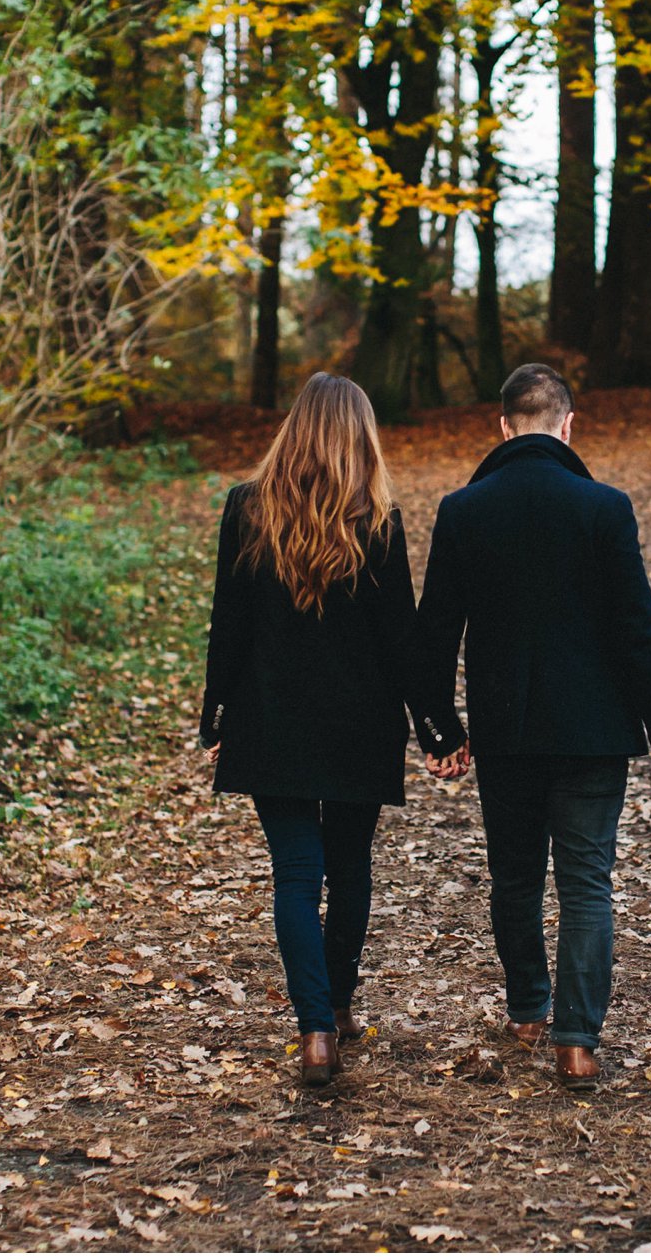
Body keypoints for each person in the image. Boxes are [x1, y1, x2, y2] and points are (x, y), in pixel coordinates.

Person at [412, 363, 651, 1089]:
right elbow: (638, 628)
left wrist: (440, 729)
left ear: (502, 426)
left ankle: (529, 1009)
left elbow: (434, 631)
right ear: (568, 425)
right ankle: (576, 1040)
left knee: (514, 878)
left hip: (504, 729)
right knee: (586, 882)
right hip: (595, 732)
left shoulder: (463, 509)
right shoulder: (604, 507)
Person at [199, 371, 426, 1087]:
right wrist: (433, 726)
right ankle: (337, 1004)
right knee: (349, 866)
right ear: (360, 435)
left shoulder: (247, 508)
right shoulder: (378, 519)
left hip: (273, 721)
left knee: (297, 873)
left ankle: (316, 1029)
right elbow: (402, 641)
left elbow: (227, 625)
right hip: (359, 724)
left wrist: (215, 712)